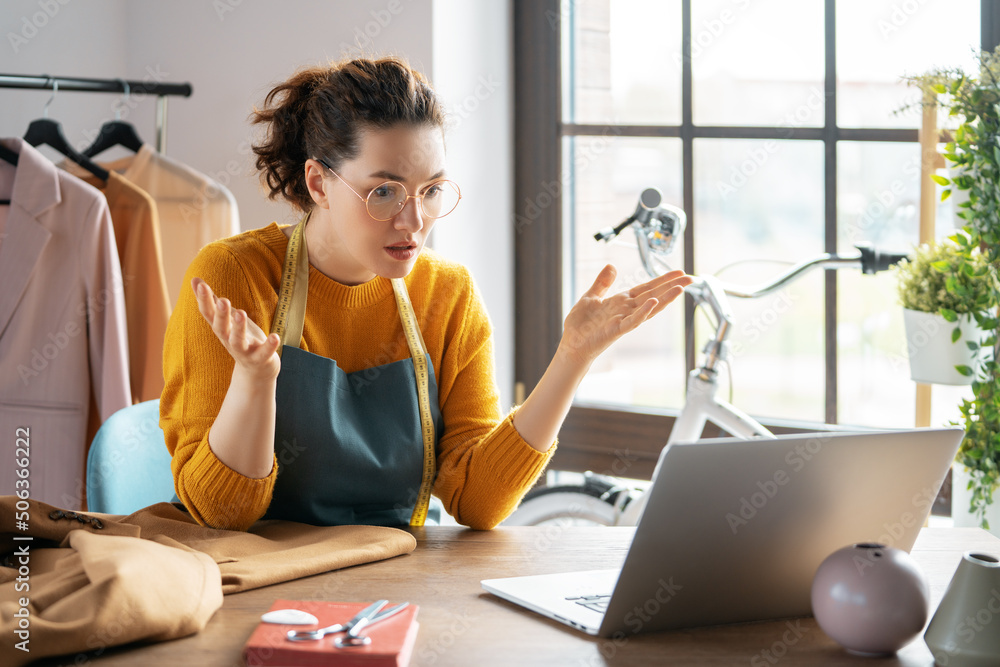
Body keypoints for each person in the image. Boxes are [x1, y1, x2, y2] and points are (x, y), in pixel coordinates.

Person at [159, 56, 691, 532]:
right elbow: (221, 514)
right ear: (319, 184)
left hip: (395, 582)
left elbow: (477, 502)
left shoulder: (448, 293)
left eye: (431, 191)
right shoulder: (235, 277)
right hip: (260, 595)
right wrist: (255, 383)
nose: (413, 222)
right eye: (384, 191)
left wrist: (572, 359)